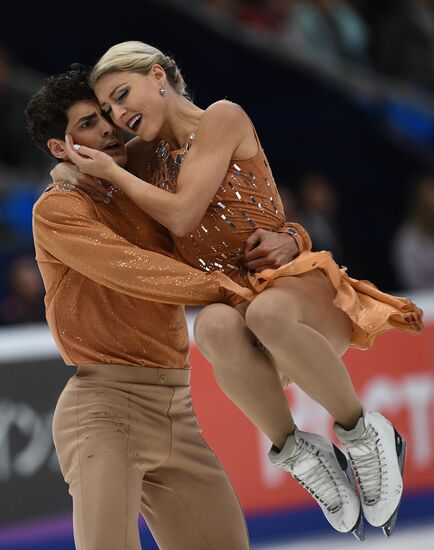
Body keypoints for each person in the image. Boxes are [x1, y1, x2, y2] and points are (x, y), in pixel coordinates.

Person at [60, 41, 423, 538]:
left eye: (123, 95)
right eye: (107, 110)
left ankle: (365, 435)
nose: (119, 115)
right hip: (238, 309)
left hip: (298, 297)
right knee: (211, 325)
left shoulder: (221, 118)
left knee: (266, 315)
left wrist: (294, 236)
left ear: (159, 76)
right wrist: (72, 171)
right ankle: (301, 453)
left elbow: (185, 215)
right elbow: (72, 169)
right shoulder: (141, 156)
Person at [26, 64, 298, 550]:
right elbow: (136, 271)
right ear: (59, 148)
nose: (108, 128)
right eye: (88, 124)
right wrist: (233, 293)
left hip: (176, 406)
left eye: (105, 114)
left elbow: (227, 224)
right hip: (103, 411)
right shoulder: (58, 210)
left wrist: (291, 238)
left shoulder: (146, 185)